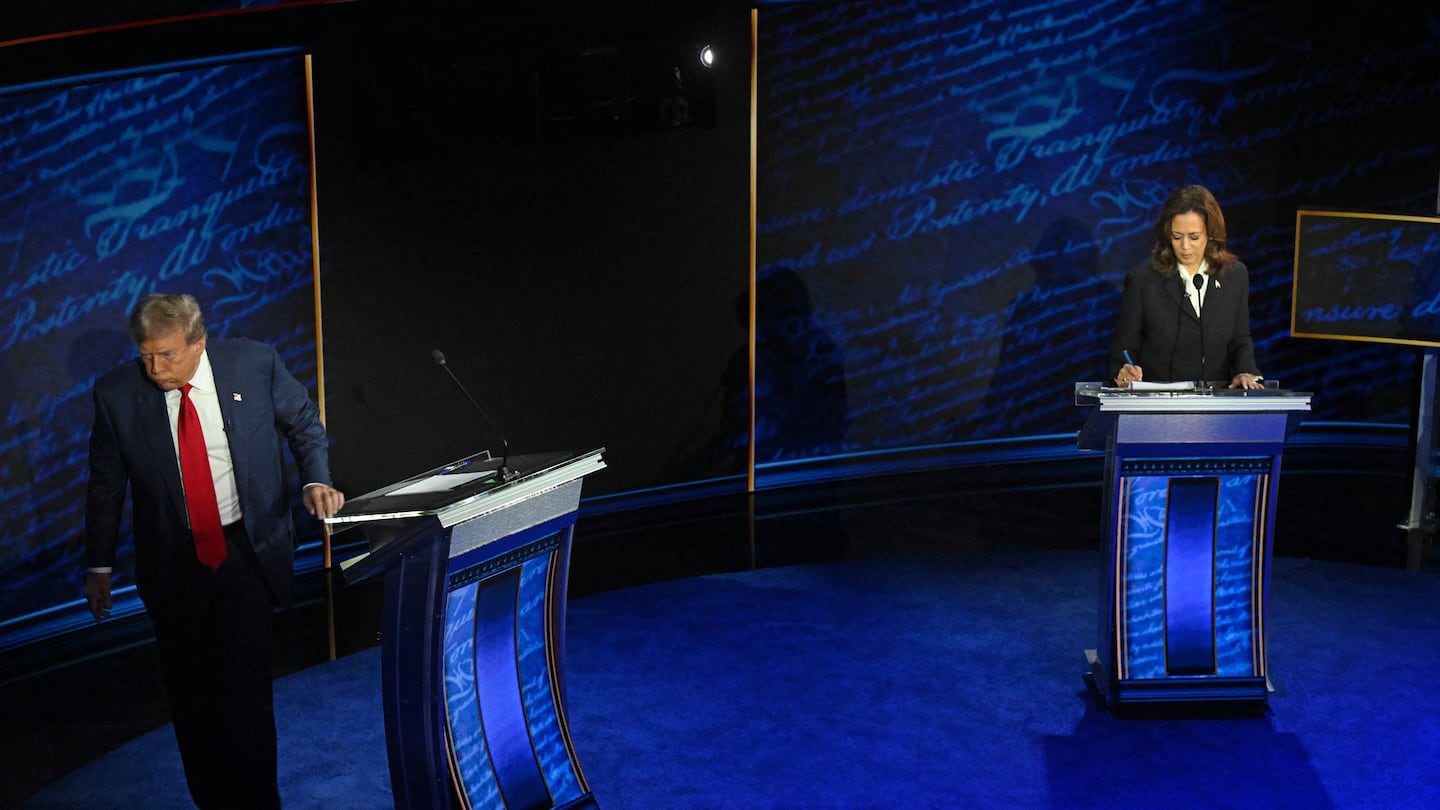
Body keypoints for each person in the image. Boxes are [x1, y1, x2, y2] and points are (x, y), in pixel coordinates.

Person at [83, 293, 345, 809]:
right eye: (145, 355)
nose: (155, 368)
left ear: (198, 343)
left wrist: (317, 480)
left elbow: (305, 425)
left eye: (168, 355)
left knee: (246, 695)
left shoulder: (253, 363)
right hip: (174, 566)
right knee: (193, 700)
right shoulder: (115, 395)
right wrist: (99, 563)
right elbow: (106, 485)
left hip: (245, 554)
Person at [1110, 184, 1265, 390]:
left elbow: (1240, 338)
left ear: (1210, 234)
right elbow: (1124, 351)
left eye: (1194, 237)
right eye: (1177, 236)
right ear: (1167, 235)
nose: (1185, 246)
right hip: (1158, 408)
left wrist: (1245, 371)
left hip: (1216, 406)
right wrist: (1125, 372)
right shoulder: (1142, 281)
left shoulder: (1235, 276)